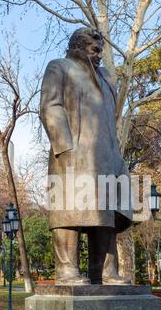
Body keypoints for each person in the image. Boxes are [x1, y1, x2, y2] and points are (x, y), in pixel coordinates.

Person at [40, 27, 132, 285]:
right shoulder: (60, 66)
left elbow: (112, 120)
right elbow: (50, 106)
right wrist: (65, 147)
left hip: (106, 154)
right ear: (79, 46)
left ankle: (104, 271)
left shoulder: (105, 78)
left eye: (101, 50)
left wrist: (116, 152)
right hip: (72, 152)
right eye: (94, 50)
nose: (99, 55)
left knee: (106, 213)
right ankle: (66, 270)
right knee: (68, 211)